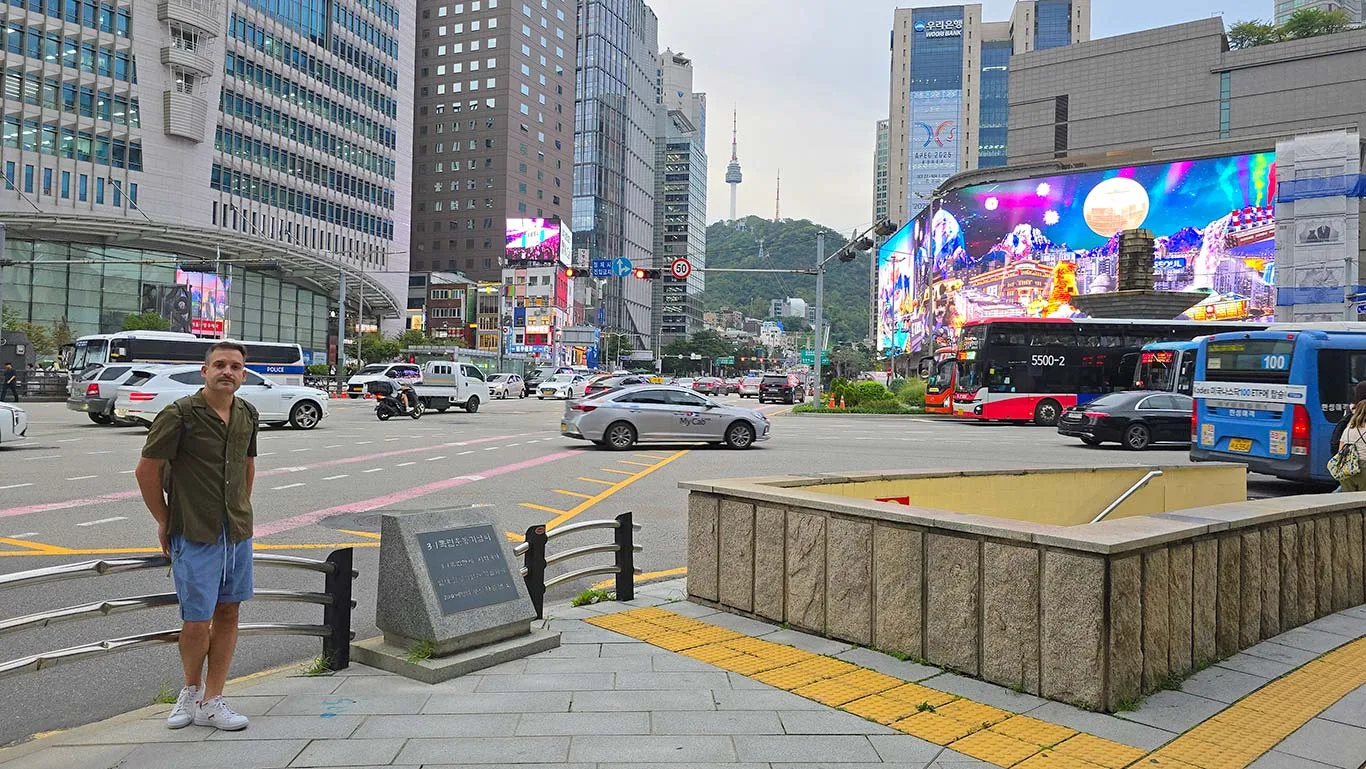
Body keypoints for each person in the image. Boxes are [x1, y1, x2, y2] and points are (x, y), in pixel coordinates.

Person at [135, 341, 259, 731]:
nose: (228, 372)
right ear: (204, 371)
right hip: (193, 531)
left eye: (235, 366)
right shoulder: (179, 415)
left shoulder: (246, 413)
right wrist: (164, 519)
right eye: (219, 365)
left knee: (229, 612)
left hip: (236, 531)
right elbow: (146, 471)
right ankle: (189, 690)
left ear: (243, 374)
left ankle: (214, 698)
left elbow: (247, 467)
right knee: (195, 619)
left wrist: (238, 509)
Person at [1337, 398, 1366, 492]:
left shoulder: (1348, 429)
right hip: (1363, 467)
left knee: (1348, 500)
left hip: (1347, 467)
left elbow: (1340, 450)